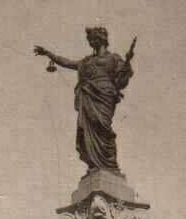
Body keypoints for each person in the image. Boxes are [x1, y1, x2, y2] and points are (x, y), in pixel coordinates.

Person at [34, 27, 135, 173]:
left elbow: (122, 79)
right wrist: (49, 54)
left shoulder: (113, 58)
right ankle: (95, 164)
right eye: (90, 40)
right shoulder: (86, 61)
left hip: (105, 95)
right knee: (89, 129)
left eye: (94, 39)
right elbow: (67, 63)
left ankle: (109, 164)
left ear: (101, 39)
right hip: (88, 95)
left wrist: (127, 64)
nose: (91, 42)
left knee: (103, 128)